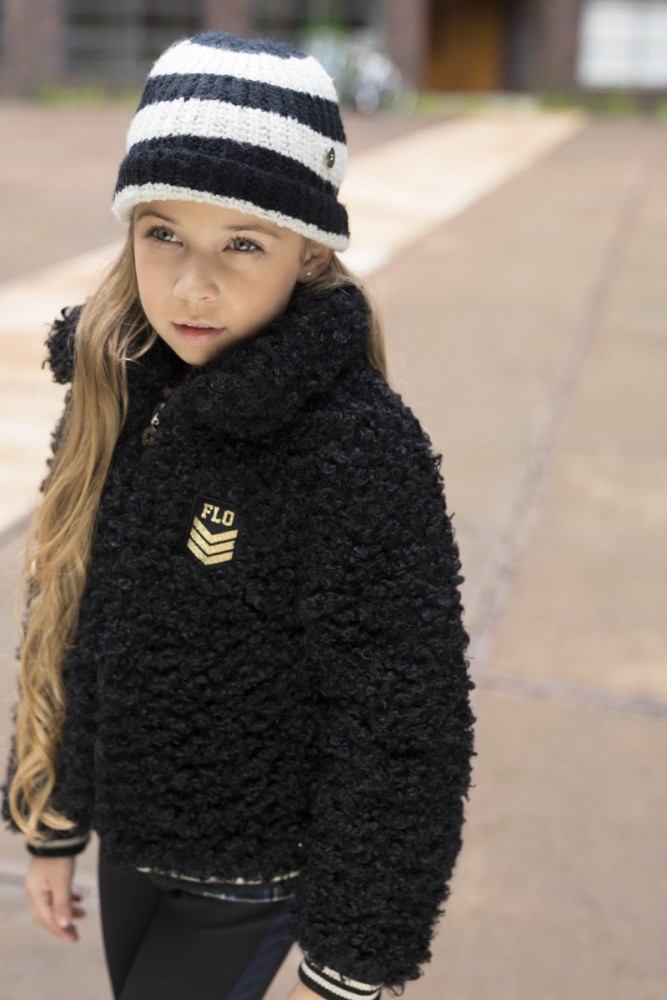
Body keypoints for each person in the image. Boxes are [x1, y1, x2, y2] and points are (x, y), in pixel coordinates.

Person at [1, 30, 475, 1000]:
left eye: (242, 243)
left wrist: (349, 964)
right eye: (163, 232)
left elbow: (401, 720)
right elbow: (71, 611)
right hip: (133, 842)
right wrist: (50, 818)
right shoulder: (120, 389)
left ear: (310, 252)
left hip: (252, 877)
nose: (191, 283)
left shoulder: (356, 447)